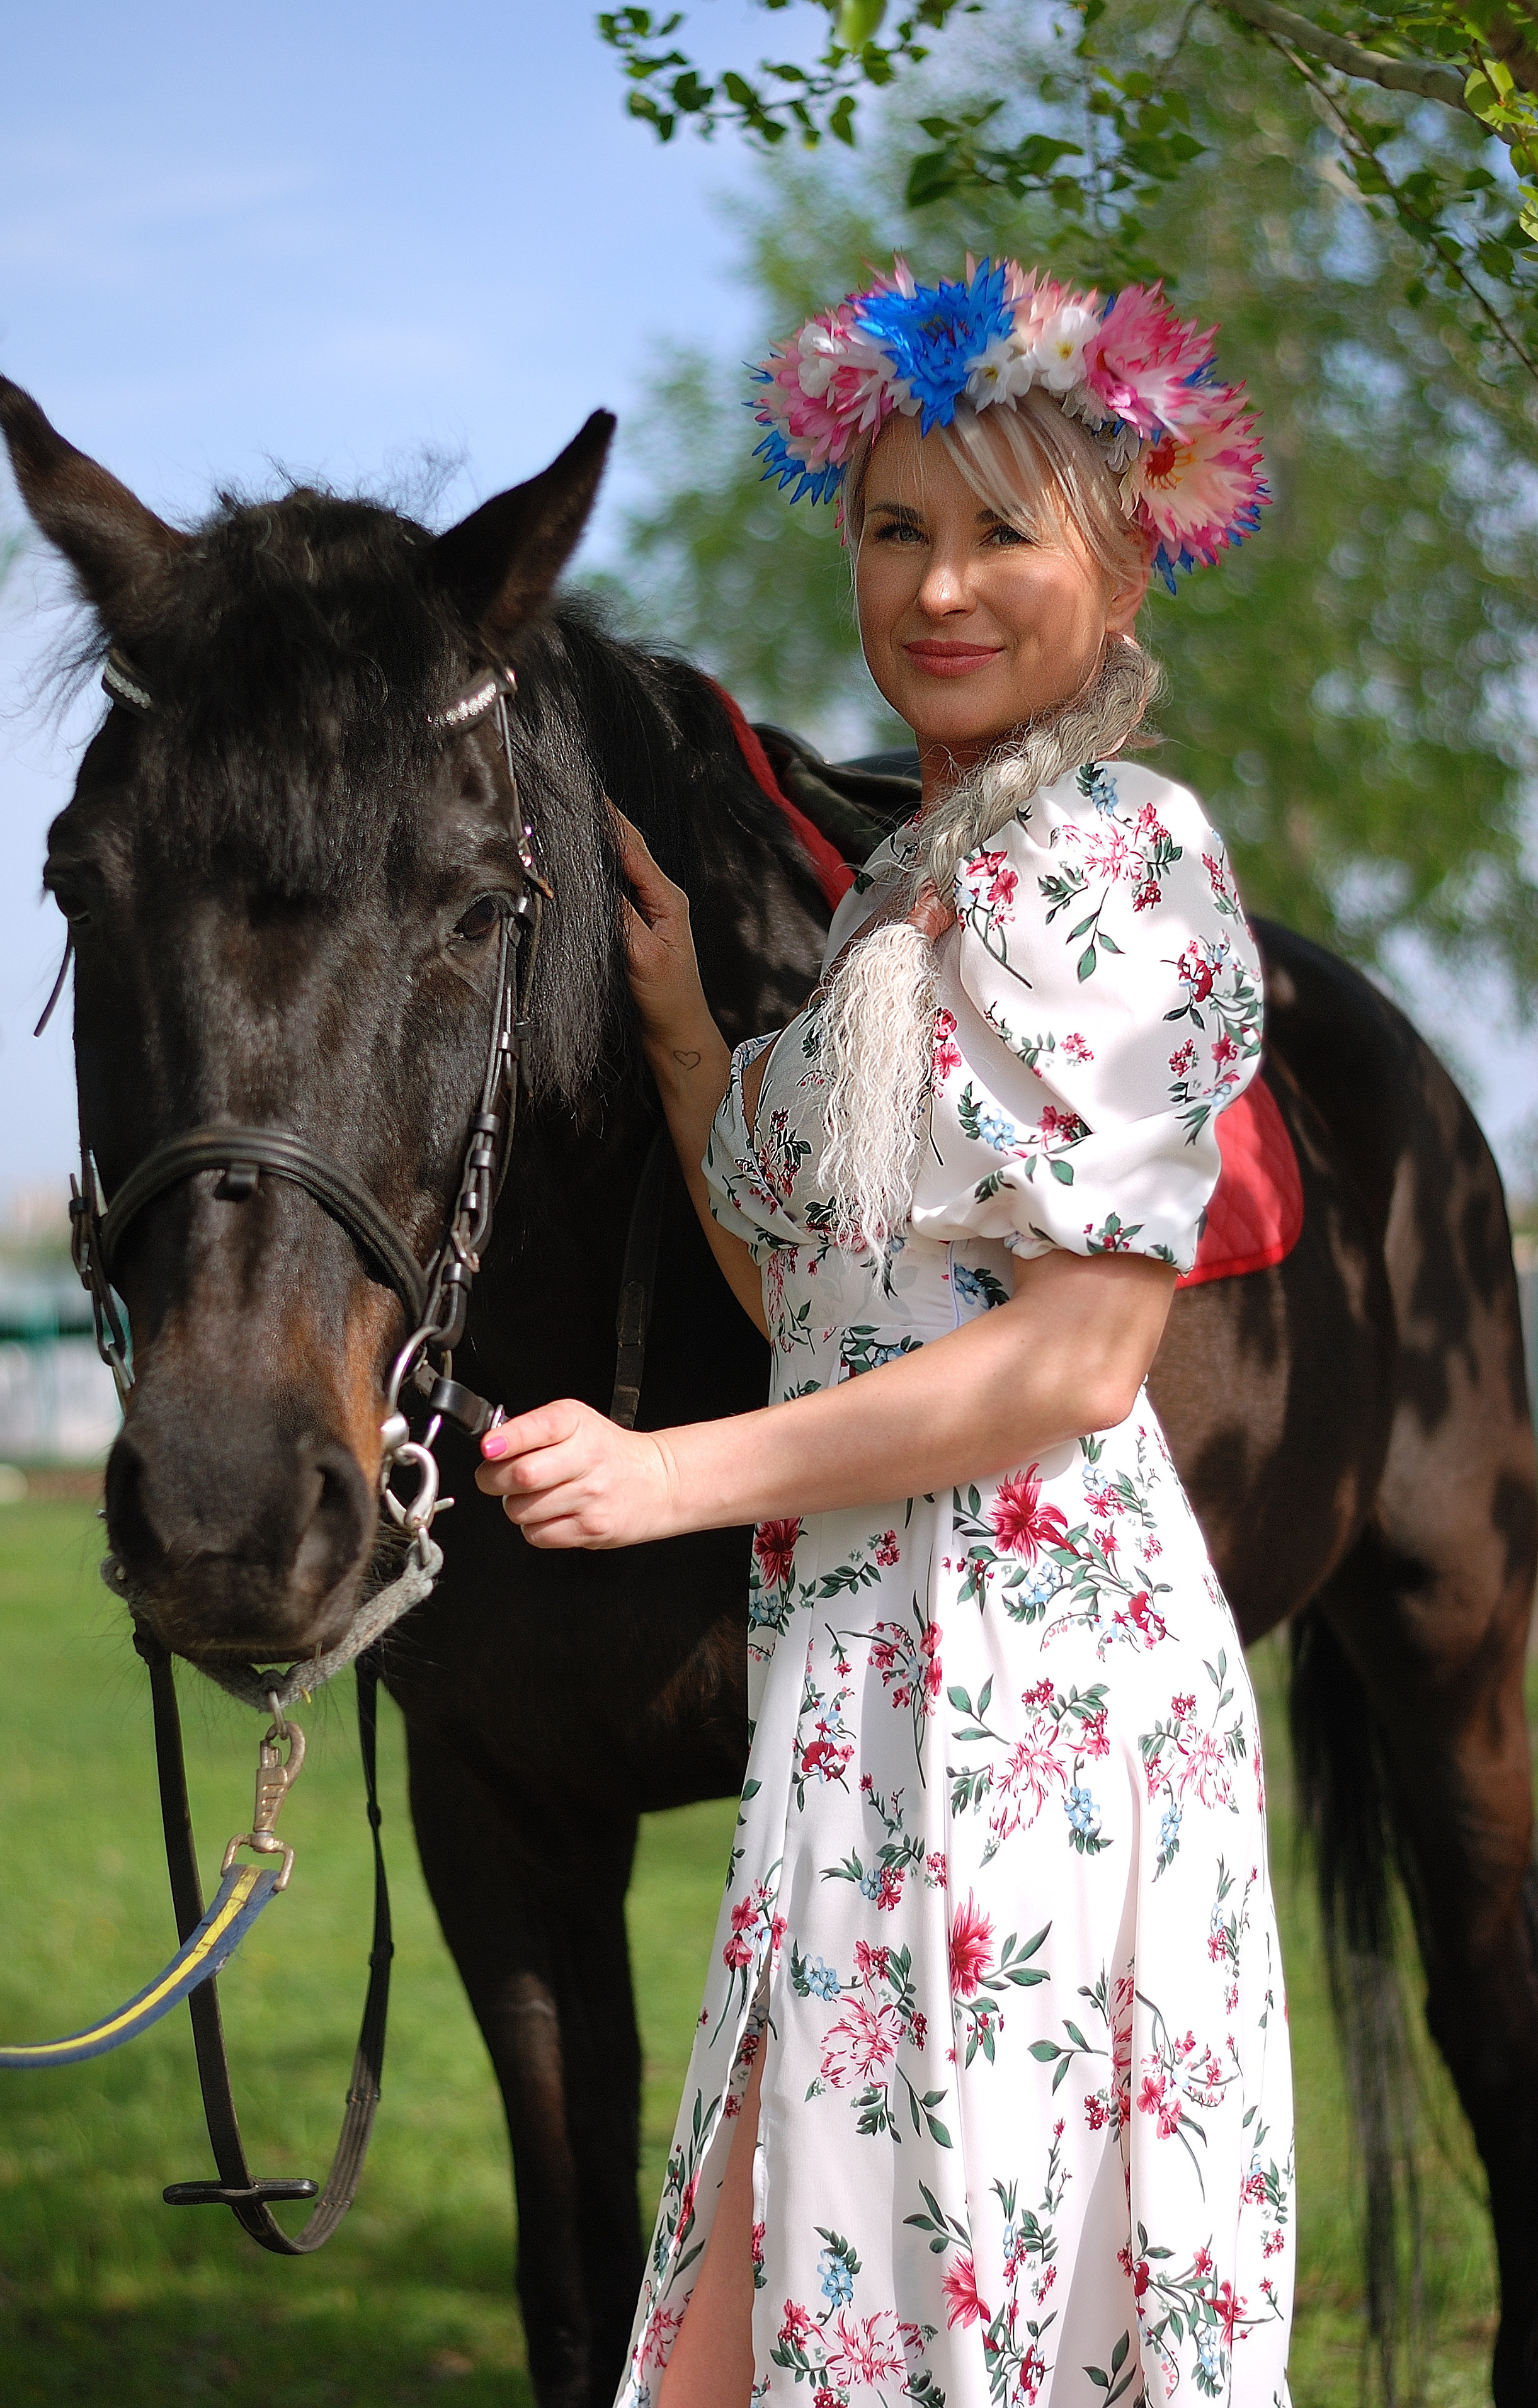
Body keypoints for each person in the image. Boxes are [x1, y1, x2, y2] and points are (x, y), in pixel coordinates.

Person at [476, 259, 1294, 2407]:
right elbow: (825, 1305)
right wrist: (680, 1041)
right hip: (865, 1679)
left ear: (1125, 564)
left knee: (958, 2306)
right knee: (811, 2301)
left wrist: (667, 1477)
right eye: (892, 531)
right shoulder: (908, 887)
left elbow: (1072, 1361)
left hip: (1035, 1699)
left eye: (1004, 531)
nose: (939, 587)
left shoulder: (1119, 856)